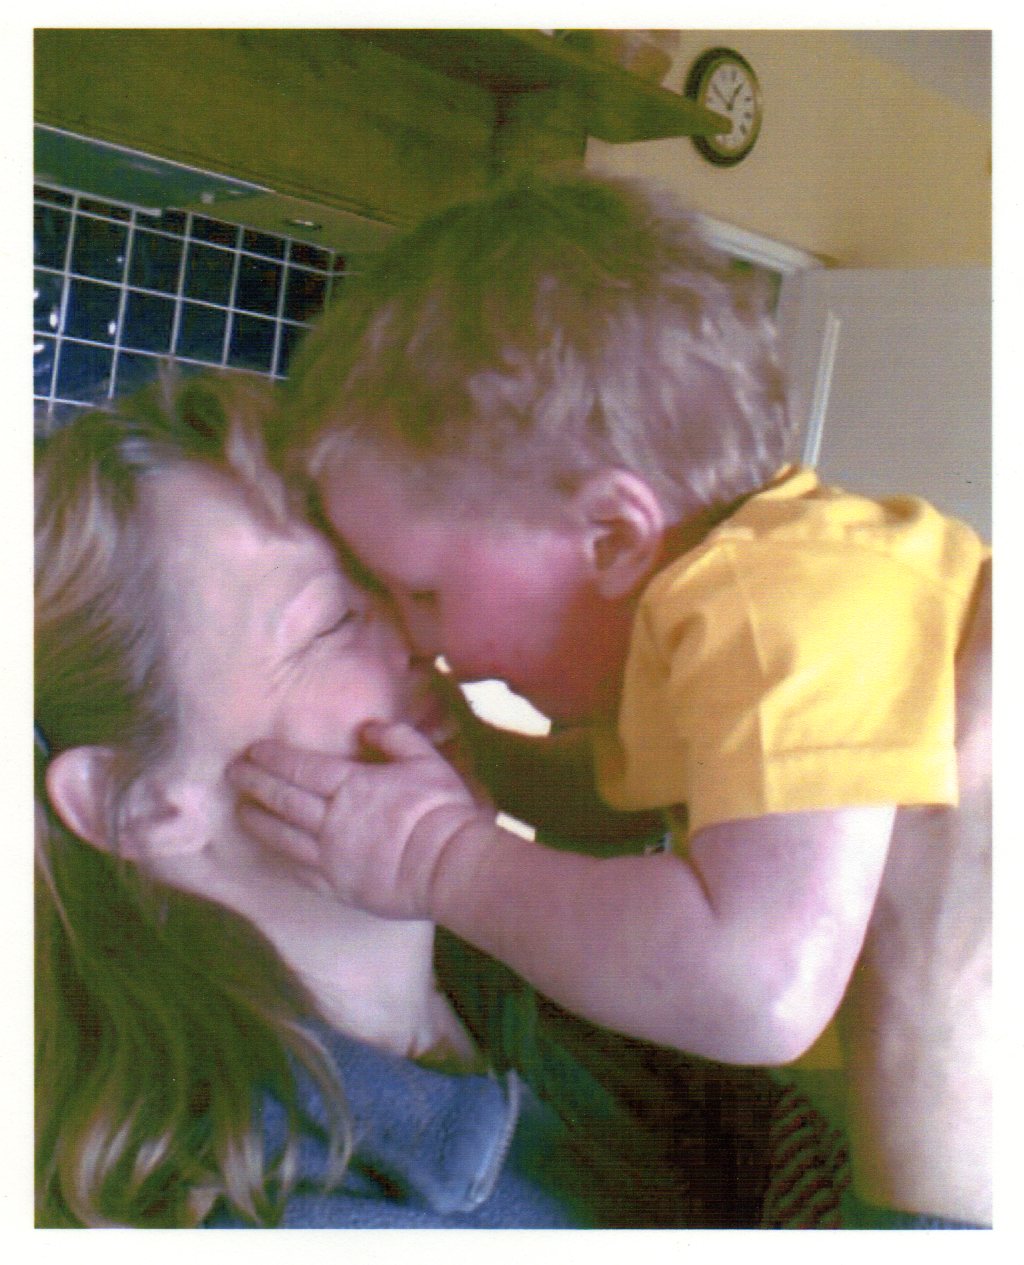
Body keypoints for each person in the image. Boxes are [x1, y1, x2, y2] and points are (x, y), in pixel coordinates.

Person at [228, 173, 993, 1225]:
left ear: (612, 536)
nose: (416, 638)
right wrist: (494, 768)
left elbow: (755, 984)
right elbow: (621, 807)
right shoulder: (730, 616)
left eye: (424, 590)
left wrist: (443, 859)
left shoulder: (771, 606)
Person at [36, 369, 812, 1229]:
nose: (425, 639)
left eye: (403, 587)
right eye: (333, 622)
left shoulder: (534, 987)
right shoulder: (284, 1219)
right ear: (136, 802)